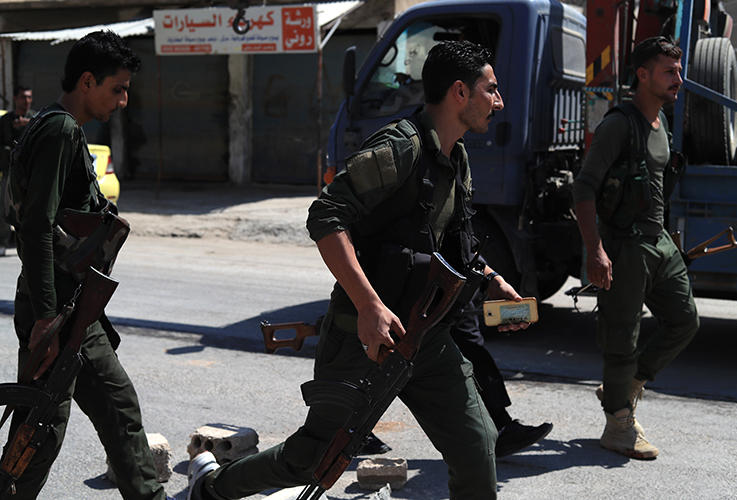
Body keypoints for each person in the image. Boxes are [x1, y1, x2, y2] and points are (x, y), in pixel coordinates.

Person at [187, 40, 529, 500]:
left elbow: (450, 244)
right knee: (313, 458)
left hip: (425, 339)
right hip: (363, 338)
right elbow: (326, 217)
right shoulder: (400, 148)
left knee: (477, 445)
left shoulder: (456, 157)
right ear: (459, 93)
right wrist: (369, 307)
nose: (499, 100)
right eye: (492, 89)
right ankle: (211, 488)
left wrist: (490, 280)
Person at [0, 31, 170, 499]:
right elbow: (35, 226)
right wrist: (49, 318)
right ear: (88, 81)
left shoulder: (46, 124)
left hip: (69, 306)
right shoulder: (59, 129)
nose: (123, 100)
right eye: (117, 88)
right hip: (56, 308)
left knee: (116, 408)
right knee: (40, 428)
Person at [573, 36, 699, 460]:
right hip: (624, 245)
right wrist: (596, 251)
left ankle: (625, 387)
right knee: (621, 339)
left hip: (657, 241)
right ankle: (618, 425)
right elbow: (584, 189)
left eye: (678, 71)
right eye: (669, 71)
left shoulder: (661, 122)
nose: (678, 79)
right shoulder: (618, 125)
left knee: (685, 320)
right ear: (643, 75)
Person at [450, 295, 552, 458]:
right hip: (436, 284)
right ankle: (499, 426)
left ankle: (499, 426)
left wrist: (493, 279)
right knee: (469, 347)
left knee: (470, 347)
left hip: (459, 285)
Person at [0, 85, 34, 256]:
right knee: (5, 209)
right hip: (10, 172)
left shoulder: (36, 119)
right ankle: (3, 242)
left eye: (29, 97)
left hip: (31, 174)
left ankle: (29, 242)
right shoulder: (5, 121)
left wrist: (28, 123)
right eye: (23, 97)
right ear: (15, 99)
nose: (26, 101)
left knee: (32, 210)